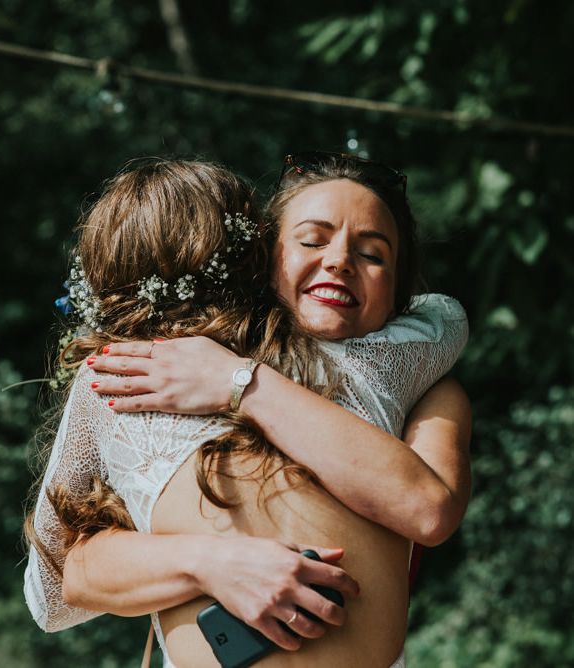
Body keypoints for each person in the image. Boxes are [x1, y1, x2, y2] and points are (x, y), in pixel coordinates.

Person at [24, 155, 471, 668]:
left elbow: (429, 507)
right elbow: (62, 580)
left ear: (397, 288)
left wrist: (238, 383)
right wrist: (210, 562)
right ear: (263, 256)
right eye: (311, 240)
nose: (341, 260)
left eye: (373, 254)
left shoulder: (408, 373)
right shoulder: (141, 371)